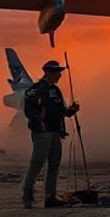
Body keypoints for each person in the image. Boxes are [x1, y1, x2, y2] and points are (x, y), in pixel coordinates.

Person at [21, 60, 80, 209]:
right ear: (47, 72)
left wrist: (71, 111)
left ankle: (50, 196)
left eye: (59, 72)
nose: (59, 75)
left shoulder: (56, 90)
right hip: (42, 132)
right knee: (37, 162)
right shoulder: (37, 89)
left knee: (54, 163)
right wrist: (37, 120)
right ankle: (27, 193)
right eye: (56, 72)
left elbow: (62, 111)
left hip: (55, 131)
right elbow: (28, 107)